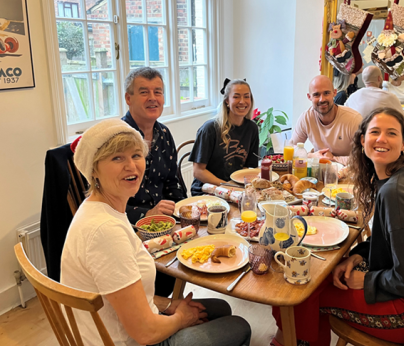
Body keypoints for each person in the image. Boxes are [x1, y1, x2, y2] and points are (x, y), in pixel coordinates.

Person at [61, 119, 251, 346]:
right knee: (240, 326)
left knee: (220, 308)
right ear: (94, 170)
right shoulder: (105, 231)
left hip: (127, 324)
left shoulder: (101, 209)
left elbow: (125, 296)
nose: (131, 166)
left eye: (136, 155)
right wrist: (180, 318)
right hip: (131, 340)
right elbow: (146, 333)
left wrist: (169, 305)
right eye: (117, 158)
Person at [271, 107, 404, 346]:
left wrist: (367, 280)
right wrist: (356, 257)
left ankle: (290, 341)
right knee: (314, 279)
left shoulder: (395, 193)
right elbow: (386, 240)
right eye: (374, 132)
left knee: (302, 295)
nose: (381, 139)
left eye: (391, 133)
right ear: (362, 139)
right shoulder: (399, 177)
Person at [122, 67, 185, 225]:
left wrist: (185, 210)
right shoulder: (117, 141)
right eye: (144, 92)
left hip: (164, 223)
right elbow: (105, 203)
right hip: (128, 228)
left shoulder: (164, 134)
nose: (152, 98)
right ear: (128, 98)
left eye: (158, 92)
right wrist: (147, 214)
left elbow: (171, 183)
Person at [190, 79, 259, 196]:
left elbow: (248, 167)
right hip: (209, 190)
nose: (242, 102)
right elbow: (198, 171)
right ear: (227, 100)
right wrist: (227, 187)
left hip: (235, 189)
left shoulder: (252, 128)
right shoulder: (210, 129)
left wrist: (238, 187)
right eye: (236, 97)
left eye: (246, 97)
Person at [290, 75, 362, 165]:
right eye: (316, 94)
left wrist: (332, 159)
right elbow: (291, 148)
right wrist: (311, 156)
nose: (322, 99)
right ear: (309, 97)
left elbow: (365, 157)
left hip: (348, 173)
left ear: (334, 93)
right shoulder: (306, 117)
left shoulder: (353, 119)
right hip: (317, 173)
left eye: (326, 93)